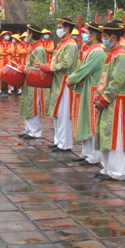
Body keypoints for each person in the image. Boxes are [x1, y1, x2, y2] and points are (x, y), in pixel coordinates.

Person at [94, 21, 125, 180]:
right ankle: (107, 167)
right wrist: (99, 94)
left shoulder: (122, 57)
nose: (102, 39)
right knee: (105, 133)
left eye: (104, 36)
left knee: (114, 136)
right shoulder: (112, 54)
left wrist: (104, 99)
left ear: (113, 37)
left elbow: (116, 82)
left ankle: (117, 171)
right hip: (107, 100)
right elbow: (104, 78)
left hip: (116, 102)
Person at [69, 24, 107, 166]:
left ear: (93, 36)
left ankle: (95, 155)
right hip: (84, 88)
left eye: (86, 33)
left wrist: (71, 79)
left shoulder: (98, 52)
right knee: (83, 119)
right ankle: (86, 152)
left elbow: (84, 70)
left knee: (91, 121)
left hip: (92, 89)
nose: (83, 36)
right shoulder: (88, 50)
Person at [47, 17, 79, 152]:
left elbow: (66, 64)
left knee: (64, 113)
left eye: (60, 27)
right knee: (57, 113)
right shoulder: (61, 44)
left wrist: (49, 67)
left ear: (66, 29)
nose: (58, 29)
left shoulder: (71, 45)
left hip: (65, 82)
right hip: (57, 81)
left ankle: (65, 143)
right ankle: (58, 140)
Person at [19, 25, 47, 139]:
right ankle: (28, 130)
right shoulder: (33, 48)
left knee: (34, 105)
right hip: (29, 80)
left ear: (31, 35)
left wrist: (24, 69)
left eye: (27, 33)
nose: (26, 35)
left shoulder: (39, 49)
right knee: (27, 104)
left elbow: (37, 67)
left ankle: (35, 132)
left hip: (35, 82)